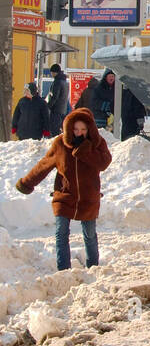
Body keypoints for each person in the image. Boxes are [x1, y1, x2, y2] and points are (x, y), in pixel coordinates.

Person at [15, 108, 112, 271]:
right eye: (75, 129)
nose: (79, 133)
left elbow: (104, 163)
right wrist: (26, 183)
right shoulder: (60, 144)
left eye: (83, 129)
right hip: (64, 195)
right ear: (69, 128)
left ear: (89, 129)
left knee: (89, 235)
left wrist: (85, 151)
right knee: (61, 233)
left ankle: (93, 267)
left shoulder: (97, 143)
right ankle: (63, 269)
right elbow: (44, 165)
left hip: (88, 197)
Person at [47, 64, 70, 137]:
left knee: (54, 131)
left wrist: (48, 106)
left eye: (52, 72)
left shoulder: (57, 82)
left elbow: (54, 96)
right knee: (59, 130)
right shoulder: (65, 82)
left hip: (56, 110)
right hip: (63, 110)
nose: (51, 74)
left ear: (55, 72)